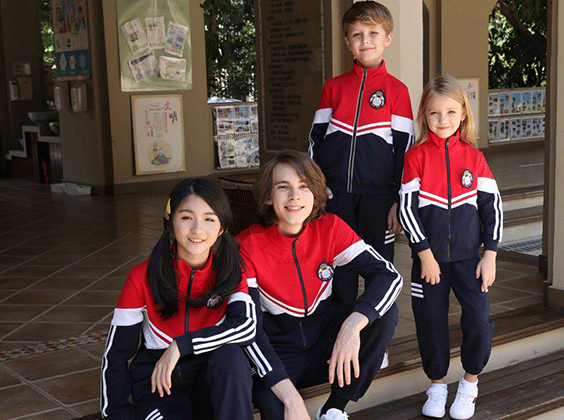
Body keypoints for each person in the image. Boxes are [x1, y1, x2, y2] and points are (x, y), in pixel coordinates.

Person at [238, 150, 402, 420]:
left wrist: (352, 326)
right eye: (283, 187)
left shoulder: (330, 228)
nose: (295, 196)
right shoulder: (247, 246)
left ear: (316, 195)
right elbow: (249, 330)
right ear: (268, 196)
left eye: (304, 187)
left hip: (325, 348)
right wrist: (290, 396)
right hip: (276, 356)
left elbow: (389, 275)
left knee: (385, 313)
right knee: (275, 409)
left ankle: (334, 408)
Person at [100, 178, 256, 420]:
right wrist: (116, 415)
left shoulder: (231, 271)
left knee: (232, 358)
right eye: (186, 217)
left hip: (208, 385)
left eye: (209, 219)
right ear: (169, 218)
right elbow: (116, 356)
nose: (197, 229)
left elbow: (246, 327)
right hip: (159, 389)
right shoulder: (142, 277)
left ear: (222, 226)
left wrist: (181, 345)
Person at [398, 75, 503, 420]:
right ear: (424, 116)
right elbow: (407, 209)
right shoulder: (415, 157)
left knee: (478, 321)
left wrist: (490, 255)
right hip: (428, 262)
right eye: (434, 113)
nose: (442, 120)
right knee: (431, 323)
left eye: (450, 112)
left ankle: (469, 385)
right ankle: (438, 385)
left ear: (463, 114)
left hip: (469, 260)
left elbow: (492, 208)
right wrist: (424, 254)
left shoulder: (474, 158)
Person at [308, 0, 414, 264]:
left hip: (380, 199)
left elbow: (405, 151)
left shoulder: (397, 90)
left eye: (373, 33)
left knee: (379, 265)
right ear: (347, 41)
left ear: (388, 38)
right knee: (340, 264)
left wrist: (398, 200)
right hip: (335, 195)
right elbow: (315, 141)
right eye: (357, 34)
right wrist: (316, 186)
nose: (365, 40)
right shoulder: (333, 88)